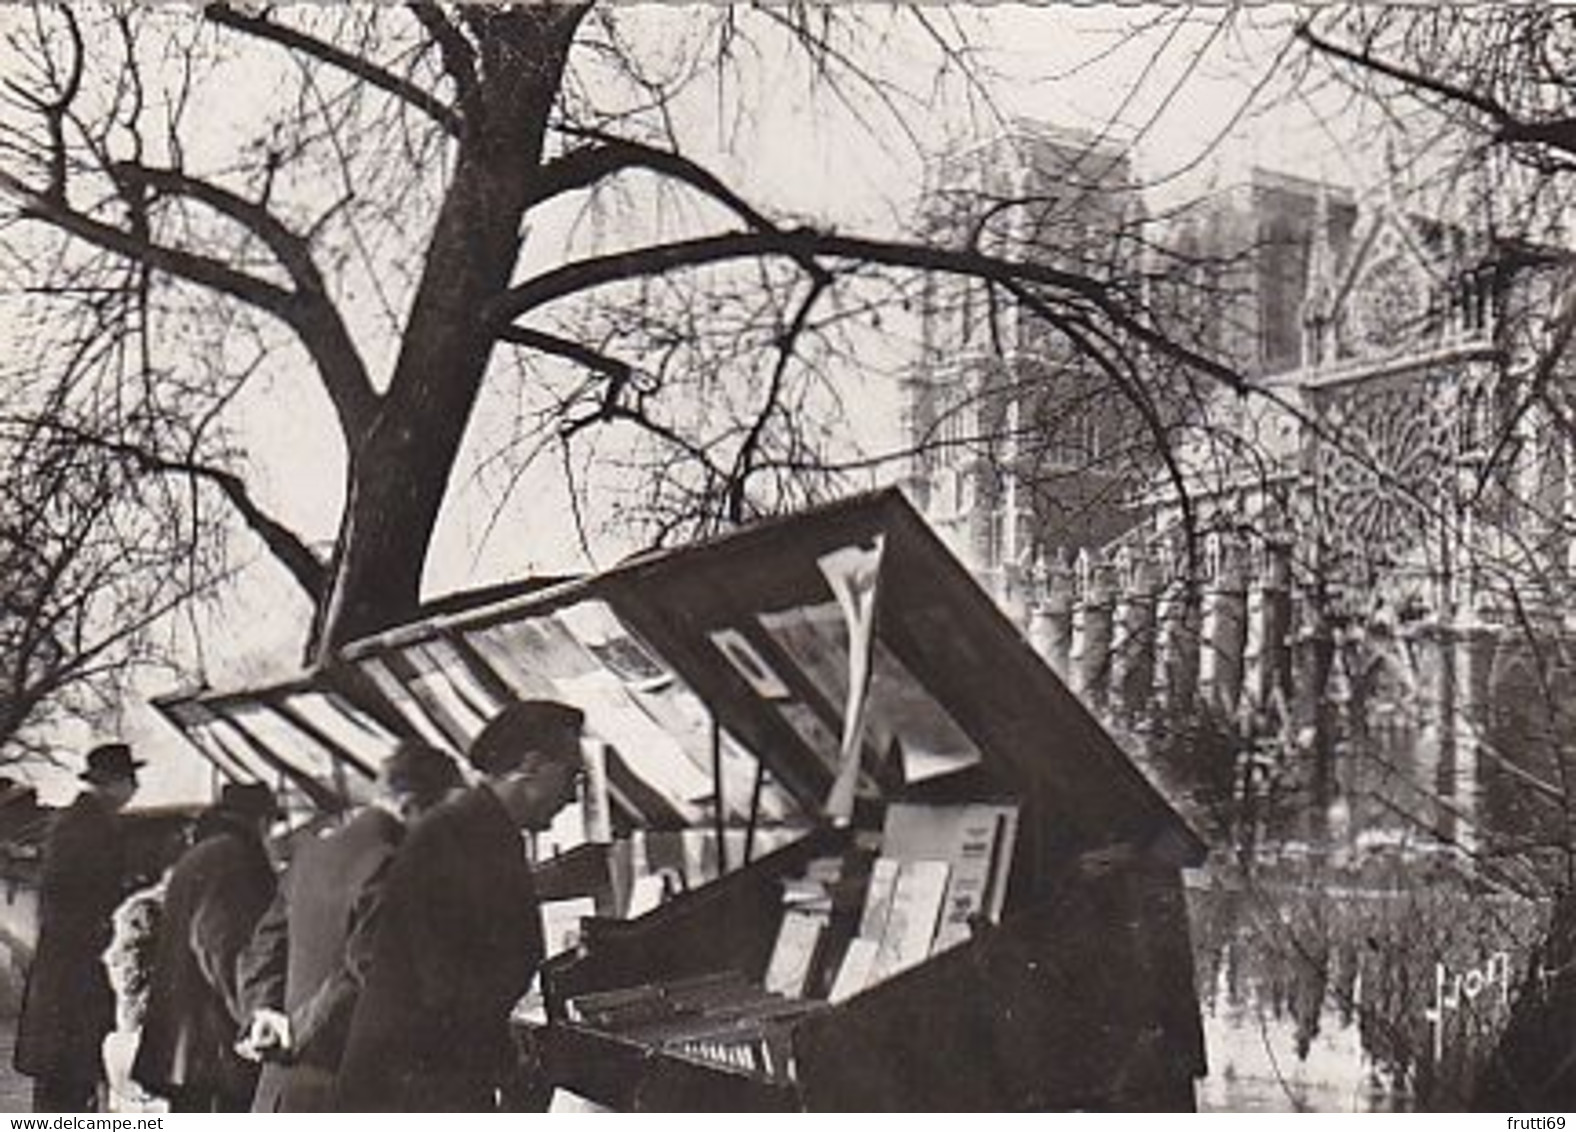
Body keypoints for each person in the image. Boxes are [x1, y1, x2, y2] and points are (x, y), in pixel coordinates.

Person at [335, 700, 587, 1112]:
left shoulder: (485, 831)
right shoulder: (452, 835)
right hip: (409, 1090)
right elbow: (444, 986)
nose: (575, 797)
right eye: (572, 776)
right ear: (533, 765)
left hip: (429, 1076)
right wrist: (506, 1061)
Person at [235, 741, 462, 1111]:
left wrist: (264, 1015)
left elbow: (263, 946)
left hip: (281, 1092)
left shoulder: (309, 854)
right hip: (347, 1090)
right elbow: (363, 971)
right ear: (410, 807)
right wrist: (297, 1031)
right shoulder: (396, 868)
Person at [131, 782, 278, 1112]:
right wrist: (250, 1017)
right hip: (211, 1043)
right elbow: (219, 945)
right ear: (261, 821)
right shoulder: (232, 857)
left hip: (189, 1041)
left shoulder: (204, 853)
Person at [14, 743, 143, 1112]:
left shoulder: (81, 822)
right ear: (113, 783)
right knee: (66, 1089)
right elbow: (78, 900)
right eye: (130, 780)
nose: (135, 789)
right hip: (74, 979)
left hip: (67, 977)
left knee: (67, 1083)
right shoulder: (89, 828)